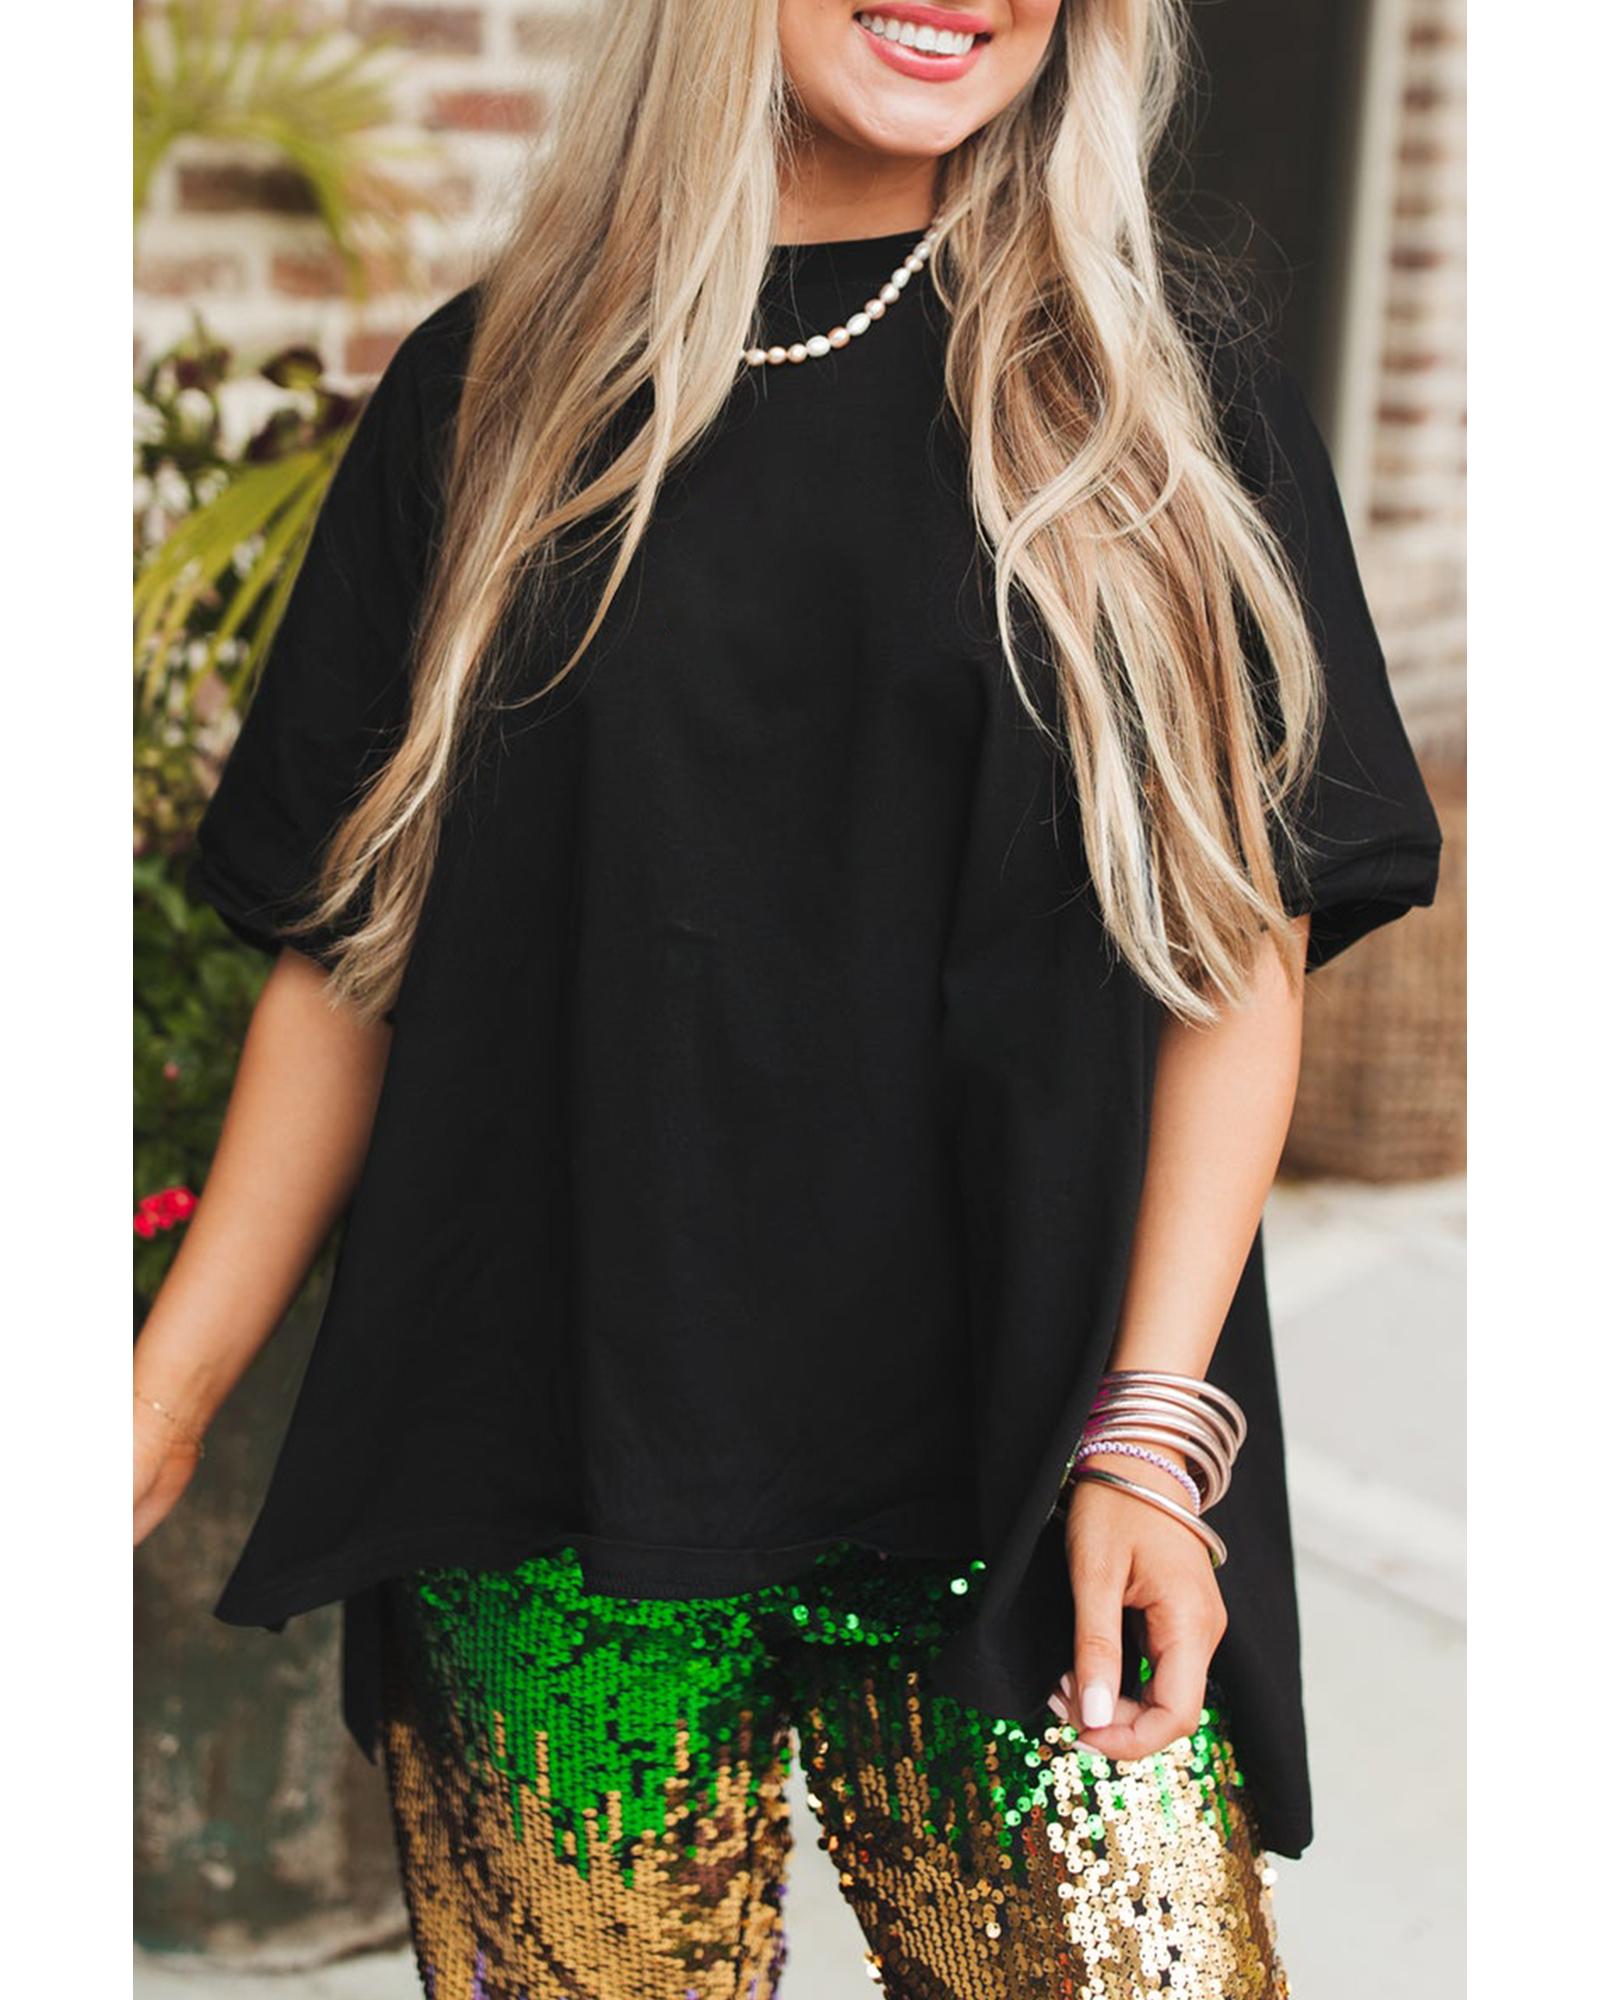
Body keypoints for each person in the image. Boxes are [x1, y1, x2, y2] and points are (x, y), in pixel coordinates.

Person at [132, 2, 1442, 1994]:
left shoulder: (1157, 396)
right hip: (547, 1465)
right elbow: (352, 958)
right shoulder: (494, 392)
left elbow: (1231, 959)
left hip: (1022, 1464)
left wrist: (1146, 1440)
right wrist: (160, 1403)